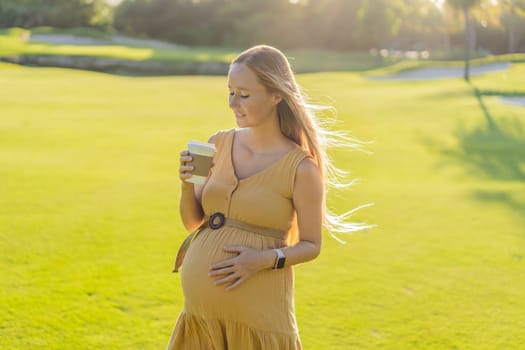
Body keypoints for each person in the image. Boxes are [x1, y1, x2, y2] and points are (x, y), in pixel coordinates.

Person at [167, 45, 364, 350]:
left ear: (276, 95)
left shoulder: (301, 168)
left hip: (259, 321)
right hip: (200, 320)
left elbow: (312, 245)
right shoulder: (216, 144)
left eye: (244, 95)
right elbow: (194, 223)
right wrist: (185, 185)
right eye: (230, 92)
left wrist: (260, 261)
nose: (234, 103)